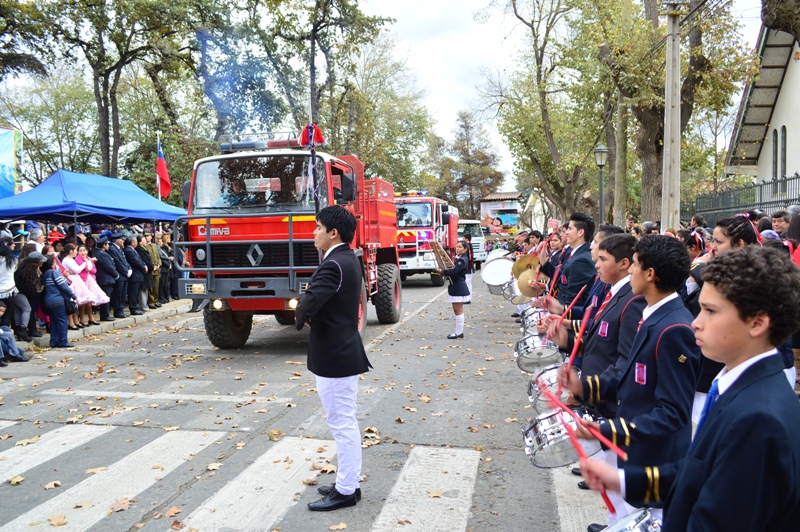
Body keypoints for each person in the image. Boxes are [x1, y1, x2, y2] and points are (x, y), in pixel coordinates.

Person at [580, 245, 800, 532]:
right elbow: (700, 471)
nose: (695, 322)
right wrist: (622, 480)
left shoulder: (758, 419)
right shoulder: (739, 387)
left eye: (710, 311)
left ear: (757, 322)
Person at [561, 235, 701, 526]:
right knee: (624, 514)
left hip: (655, 455)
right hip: (637, 445)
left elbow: (672, 412)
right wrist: (584, 387)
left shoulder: (674, 328)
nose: (630, 271)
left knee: (644, 518)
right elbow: (628, 372)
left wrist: (609, 428)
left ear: (650, 274)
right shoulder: (653, 314)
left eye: (635, 265)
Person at [295, 206, 371, 511]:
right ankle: (346, 482)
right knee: (342, 421)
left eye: (317, 227)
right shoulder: (346, 259)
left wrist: (303, 311)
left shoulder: (334, 264)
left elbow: (308, 304)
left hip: (335, 355)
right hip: (340, 351)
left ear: (333, 233)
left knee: (342, 423)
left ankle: (347, 490)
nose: (313, 233)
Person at [538, 213, 597, 308]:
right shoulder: (577, 255)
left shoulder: (582, 261)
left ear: (580, 232)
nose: (566, 233)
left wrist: (559, 311)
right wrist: (543, 259)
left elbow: (574, 300)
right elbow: (562, 278)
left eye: (570, 229)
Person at [0, 237, 33, 342]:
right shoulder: (13, 260)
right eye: (12, 244)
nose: (14, 245)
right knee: (7, 316)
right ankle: (6, 337)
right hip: (9, 291)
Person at [41, 256, 76, 348]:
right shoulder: (54, 273)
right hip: (58, 300)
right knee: (62, 321)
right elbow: (64, 286)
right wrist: (73, 295)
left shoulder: (44, 275)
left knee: (53, 321)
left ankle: (54, 341)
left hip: (48, 301)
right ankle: (63, 341)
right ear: (51, 265)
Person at [439, 241, 470, 339]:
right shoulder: (462, 259)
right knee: (458, 311)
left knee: (458, 311)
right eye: (457, 247)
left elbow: (454, 272)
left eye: (460, 247)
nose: (457, 248)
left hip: (458, 287)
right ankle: (458, 332)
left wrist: (443, 272)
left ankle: (458, 333)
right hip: (457, 287)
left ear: (465, 249)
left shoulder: (462, 260)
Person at [13, 250, 47, 339]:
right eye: (41, 261)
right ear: (35, 262)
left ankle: (20, 330)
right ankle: (24, 330)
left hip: (19, 292)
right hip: (20, 293)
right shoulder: (26, 271)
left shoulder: (28, 267)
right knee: (27, 309)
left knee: (19, 310)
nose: (42, 262)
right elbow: (25, 286)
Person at [74, 243, 110, 324]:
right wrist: (89, 263)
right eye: (80, 251)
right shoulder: (78, 259)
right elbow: (84, 268)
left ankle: (91, 318)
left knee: (90, 301)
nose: (82, 252)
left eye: (84, 250)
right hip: (82, 281)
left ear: (87, 251)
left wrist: (89, 263)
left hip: (90, 280)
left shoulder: (89, 259)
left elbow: (94, 270)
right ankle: (82, 319)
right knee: (83, 301)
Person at [93, 236, 117, 322]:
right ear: (103, 245)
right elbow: (109, 267)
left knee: (107, 297)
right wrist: (116, 275)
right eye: (107, 244)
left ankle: (105, 314)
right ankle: (104, 315)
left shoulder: (102, 253)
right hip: (104, 279)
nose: (108, 246)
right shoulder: (101, 254)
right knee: (106, 297)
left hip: (105, 278)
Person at [109, 233, 131, 318]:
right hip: (119, 275)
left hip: (124, 275)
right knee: (118, 294)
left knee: (123, 294)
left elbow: (124, 261)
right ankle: (117, 311)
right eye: (122, 240)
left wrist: (129, 269)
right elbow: (117, 263)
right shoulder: (112, 249)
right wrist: (126, 271)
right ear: (118, 241)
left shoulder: (119, 249)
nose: (123, 242)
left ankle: (121, 310)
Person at [124, 236, 147, 315]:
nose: (137, 243)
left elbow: (140, 259)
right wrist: (143, 267)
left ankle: (135, 307)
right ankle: (133, 309)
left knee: (136, 292)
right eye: (136, 241)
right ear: (132, 242)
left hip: (138, 274)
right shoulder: (128, 250)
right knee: (133, 293)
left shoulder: (133, 250)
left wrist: (144, 265)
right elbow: (136, 261)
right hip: (134, 274)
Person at [144, 231, 162, 309]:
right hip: (151, 269)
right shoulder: (145, 247)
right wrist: (152, 266)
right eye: (146, 236)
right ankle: (151, 302)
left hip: (157, 269)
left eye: (148, 236)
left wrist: (159, 264)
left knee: (156, 286)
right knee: (150, 287)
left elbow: (158, 256)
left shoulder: (154, 245)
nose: (147, 237)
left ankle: (156, 300)